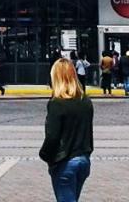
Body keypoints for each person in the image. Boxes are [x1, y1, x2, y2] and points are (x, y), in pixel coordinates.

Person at [39, 58, 94, 202]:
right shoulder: (86, 101)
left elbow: (52, 137)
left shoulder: (57, 103)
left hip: (65, 162)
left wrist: (44, 155)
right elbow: (88, 133)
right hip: (83, 159)